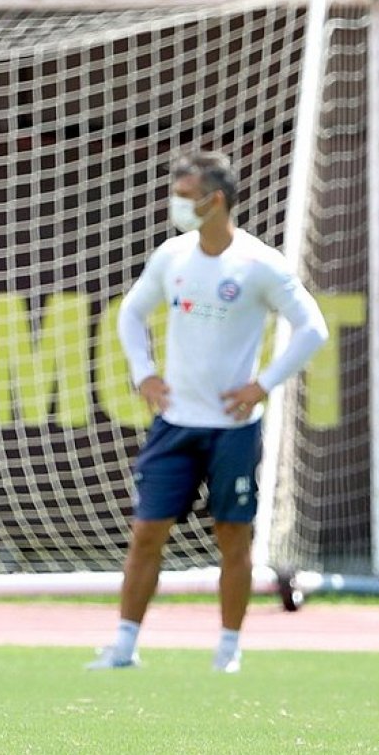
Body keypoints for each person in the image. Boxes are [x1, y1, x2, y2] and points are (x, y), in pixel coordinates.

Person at [88, 151, 327, 674]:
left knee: (232, 536)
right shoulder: (172, 256)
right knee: (147, 532)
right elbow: (131, 312)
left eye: (185, 193)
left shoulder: (260, 263)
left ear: (215, 200)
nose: (176, 202)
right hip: (174, 423)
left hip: (233, 430)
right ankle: (124, 648)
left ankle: (228, 651)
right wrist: (142, 371)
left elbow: (312, 329)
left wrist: (261, 385)